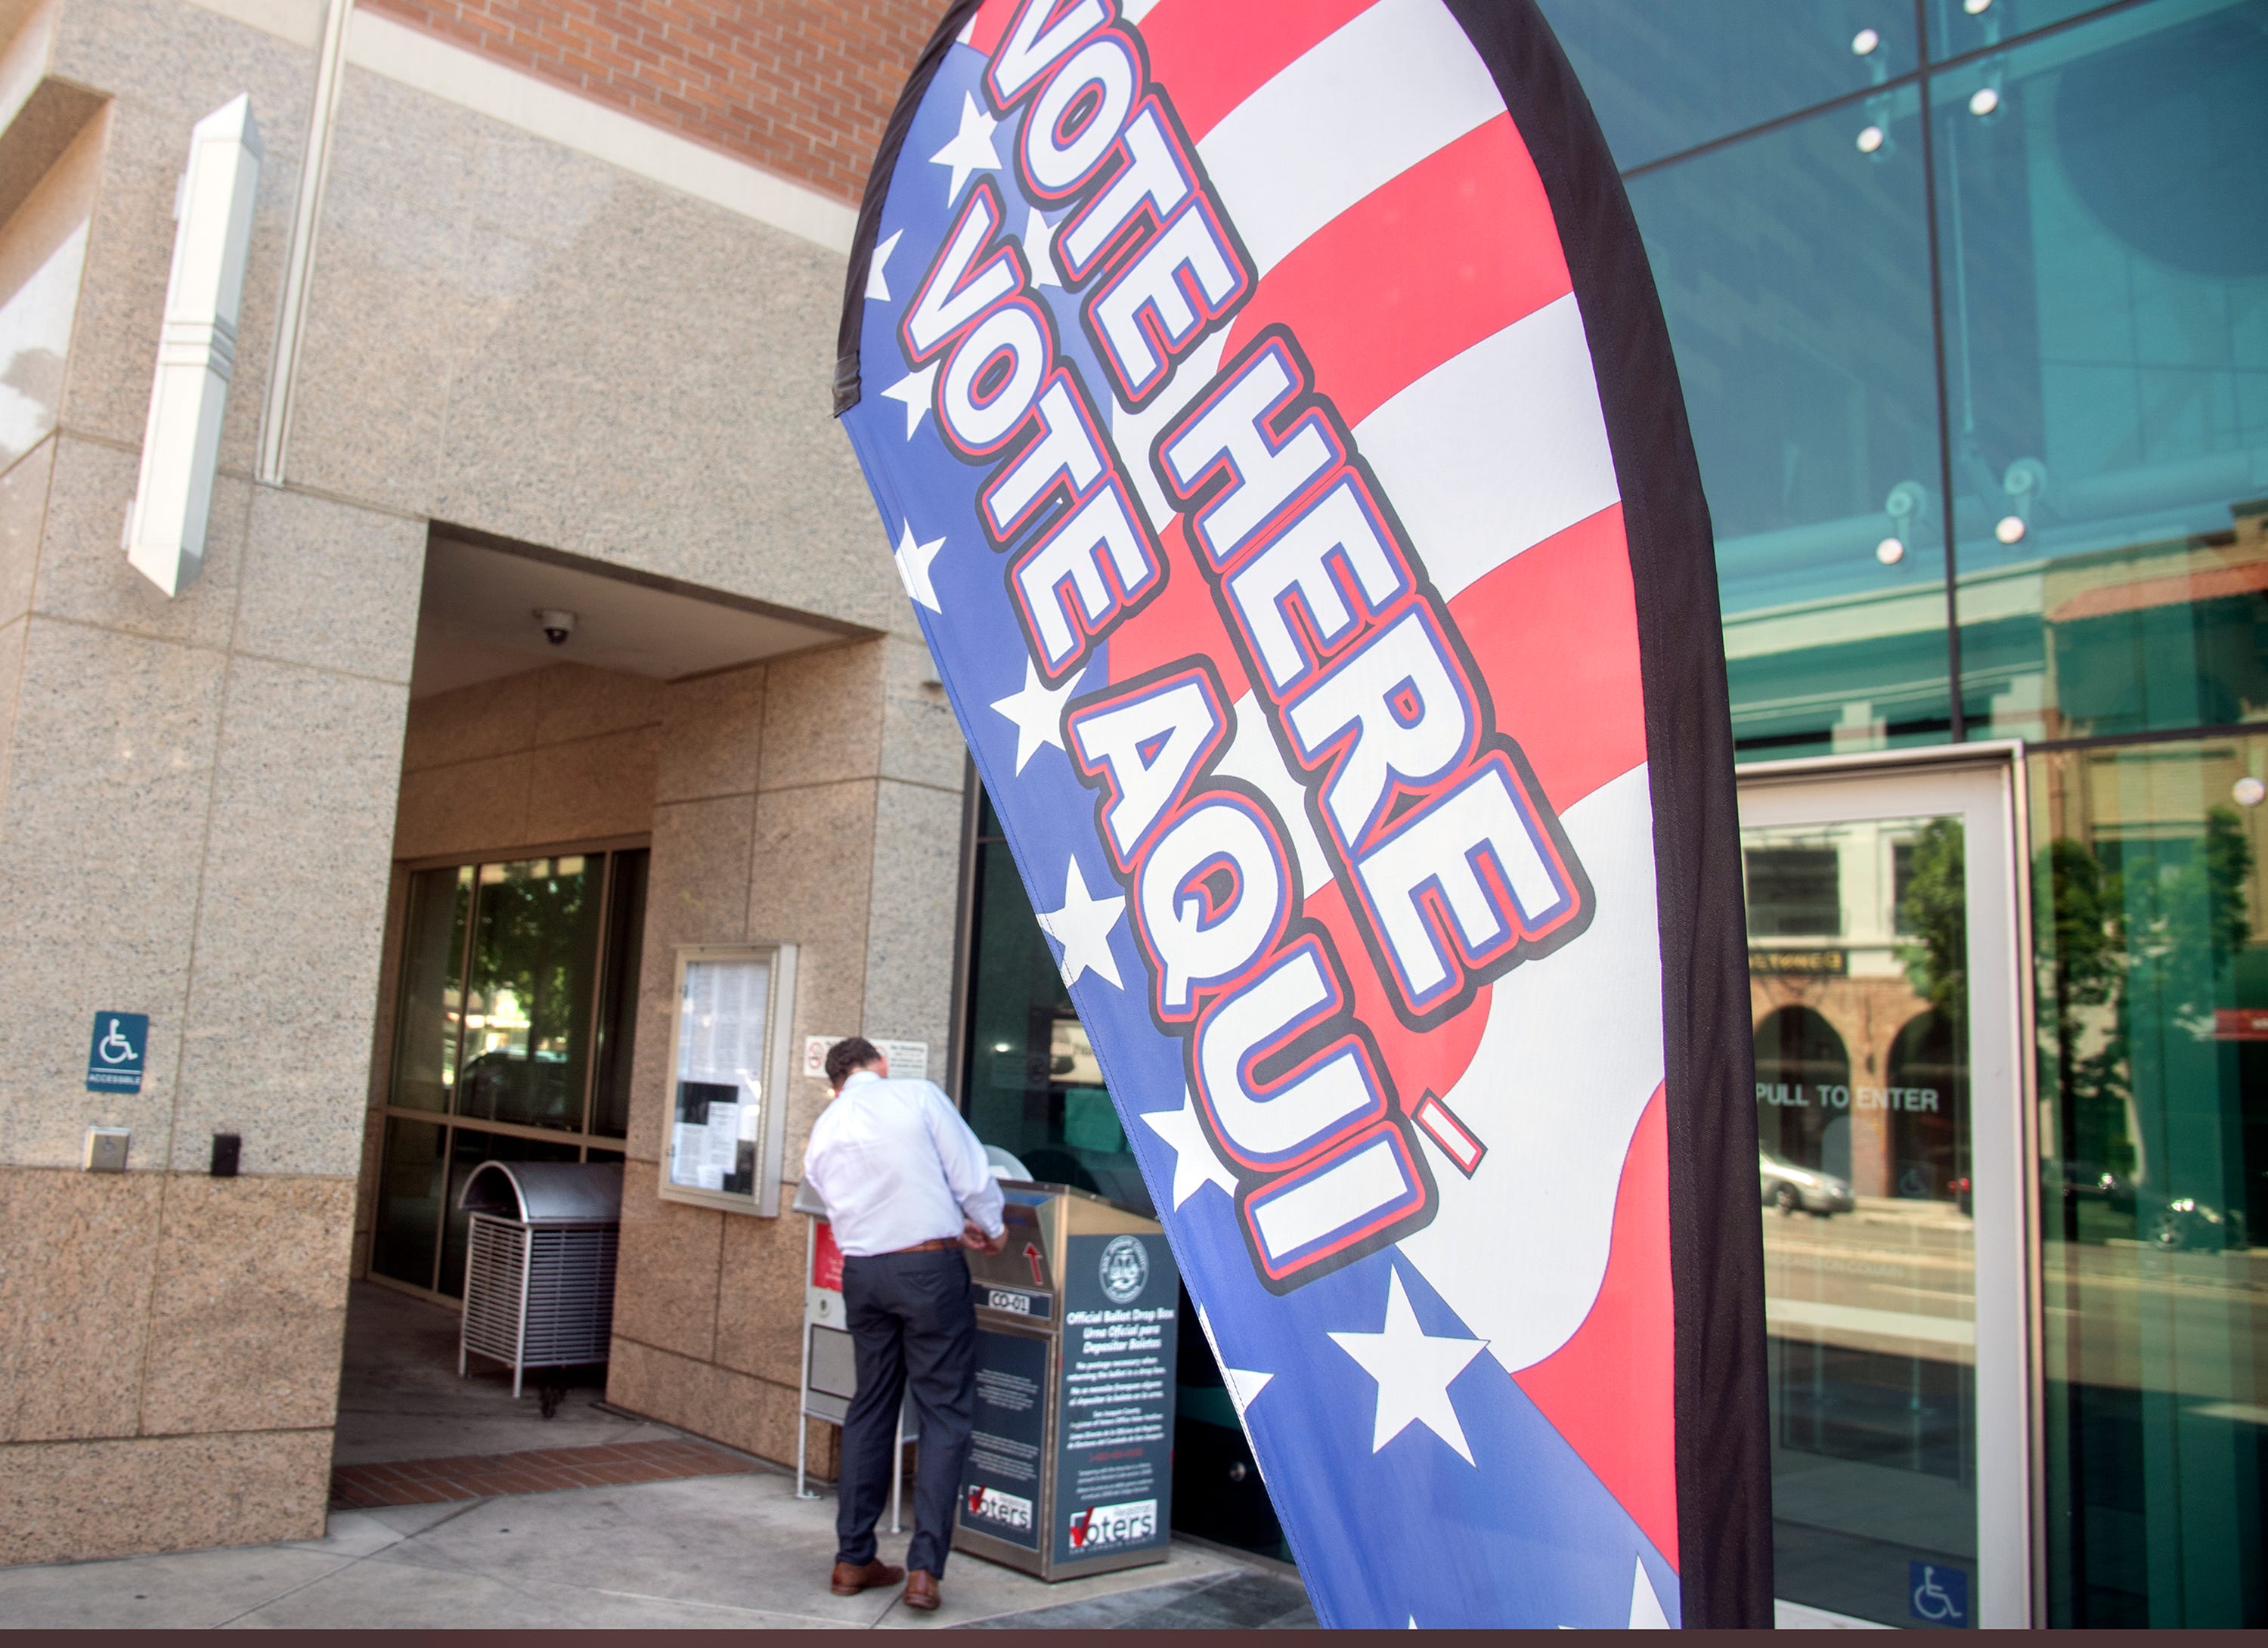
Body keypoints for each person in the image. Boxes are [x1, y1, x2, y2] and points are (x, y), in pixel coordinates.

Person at [801, 1036, 1005, 1613]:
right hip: (929, 1270)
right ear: (880, 1066)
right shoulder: (916, 1096)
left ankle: (851, 1558)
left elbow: (839, 1197)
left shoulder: (824, 1128)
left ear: (836, 1081)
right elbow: (970, 1174)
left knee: (870, 1406)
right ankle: (924, 1571)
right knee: (944, 1411)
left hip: (864, 1274)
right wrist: (989, 1228)